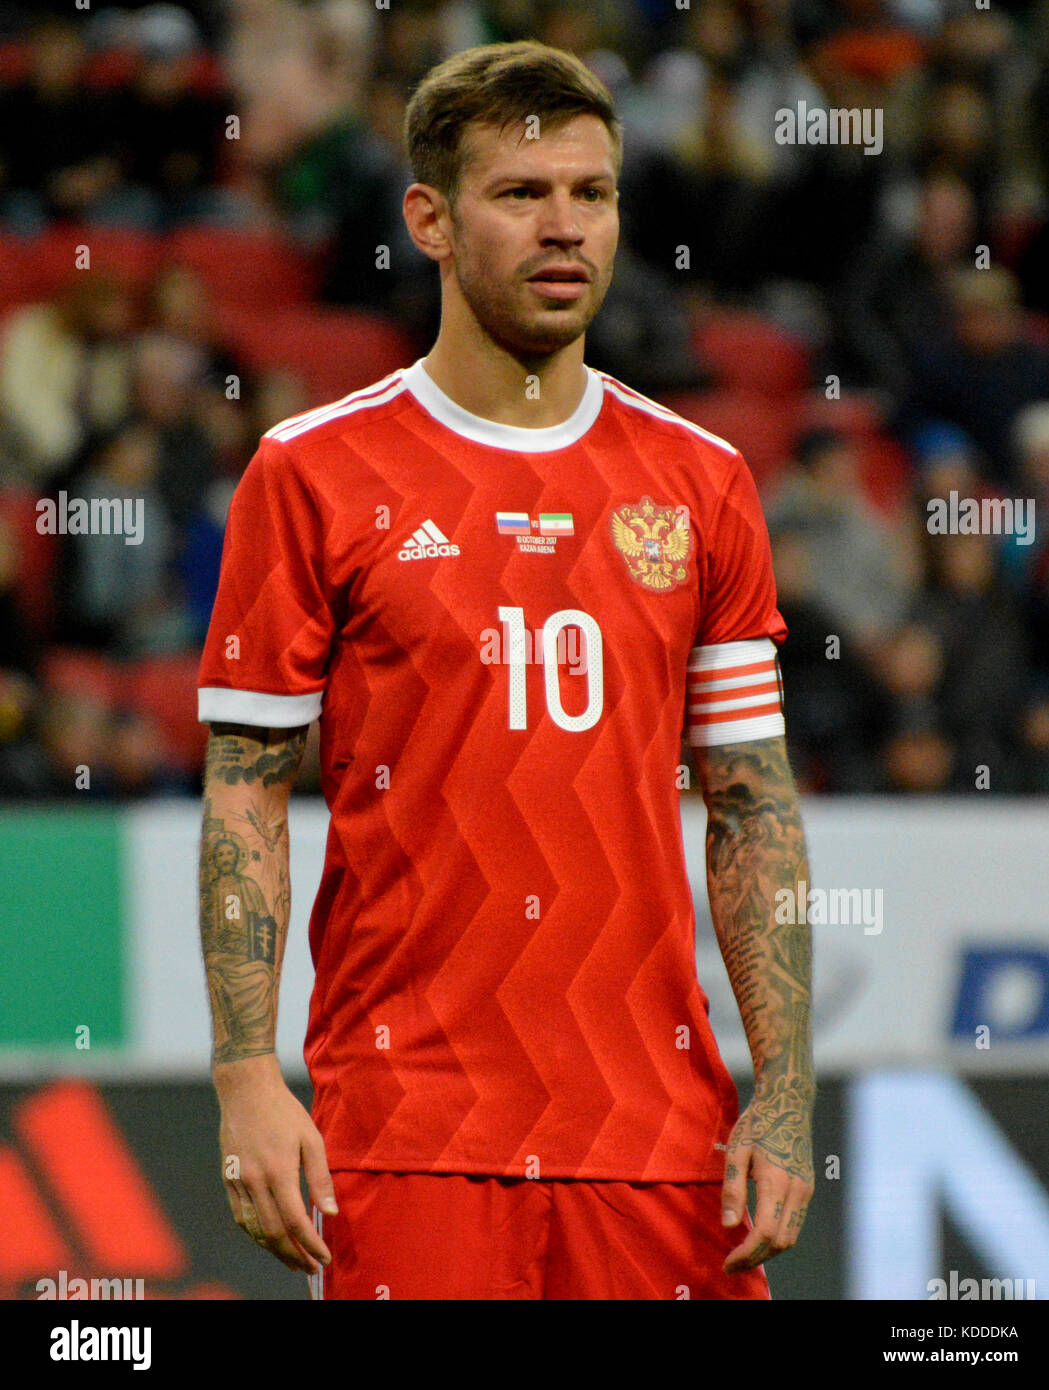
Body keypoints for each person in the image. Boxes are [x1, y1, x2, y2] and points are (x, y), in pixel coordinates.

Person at [196, 40, 814, 1301]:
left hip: (657, 1137)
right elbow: (246, 788)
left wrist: (788, 1097)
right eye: (523, 193)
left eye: (592, 194)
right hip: (409, 1134)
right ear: (428, 217)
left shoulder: (700, 482)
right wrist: (246, 1074)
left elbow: (753, 801)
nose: (566, 226)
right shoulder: (312, 472)